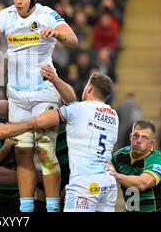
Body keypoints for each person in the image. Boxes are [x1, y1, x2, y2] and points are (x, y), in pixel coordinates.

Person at [0, 0, 78, 212]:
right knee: (23, 155)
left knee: (46, 150)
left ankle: (52, 208)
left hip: (44, 91)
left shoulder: (47, 14)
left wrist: (58, 34)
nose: (18, 1)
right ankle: (26, 209)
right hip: (17, 95)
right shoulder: (5, 15)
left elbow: (73, 39)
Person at [0, 61, 74, 211]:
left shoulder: (55, 98)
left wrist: (54, 79)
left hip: (69, 171)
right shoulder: (20, 105)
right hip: (41, 177)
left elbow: (72, 100)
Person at [29, 73, 119, 212]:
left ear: (89, 88)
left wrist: (12, 127)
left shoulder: (78, 109)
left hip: (84, 182)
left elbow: (40, 121)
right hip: (107, 182)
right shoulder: (113, 115)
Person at [110, 120, 161, 212]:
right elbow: (106, 163)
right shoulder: (120, 155)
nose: (138, 140)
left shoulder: (157, 161)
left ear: (151, 143)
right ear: (130, 137)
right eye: (136, 135)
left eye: (144, 138)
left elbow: (142, 183)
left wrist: (116, 175)